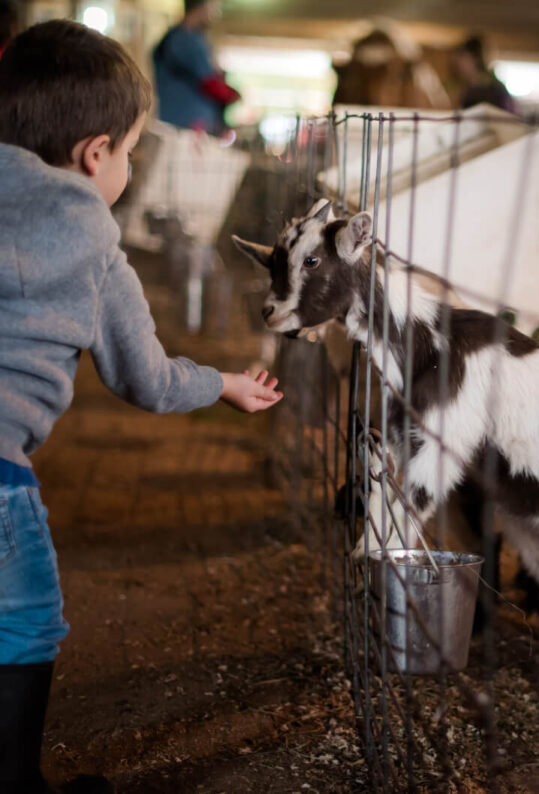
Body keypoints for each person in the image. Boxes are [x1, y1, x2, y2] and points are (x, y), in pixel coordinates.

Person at [0, 20, 282, 793]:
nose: (127, 165)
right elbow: (146, 379)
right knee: (23, 623)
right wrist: (223, 382)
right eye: (128, 151)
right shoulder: (96, 246)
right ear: (97, 155)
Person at [152, 0, 240, 135]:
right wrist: (232, 94)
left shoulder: (193, 38)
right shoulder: (183, 39)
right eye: (214, 5)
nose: (216, 11)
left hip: (188, 126)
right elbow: (209, 83)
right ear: (202, 5)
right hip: (183, 127)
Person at [451, 35, 516, 113]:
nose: (460, 65)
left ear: (475, 59)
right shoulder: (467, 90)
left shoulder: (497, 90)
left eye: (464, 58)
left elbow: (507, 117)